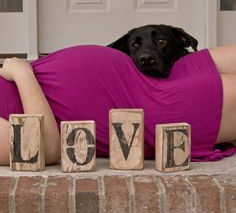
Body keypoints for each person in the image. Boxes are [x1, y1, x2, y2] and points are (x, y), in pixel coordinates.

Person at [0, 44, 235, 166]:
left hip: (146, 72)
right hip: (149, 106)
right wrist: (22, 72)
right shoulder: (21, 72)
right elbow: (43, 149)